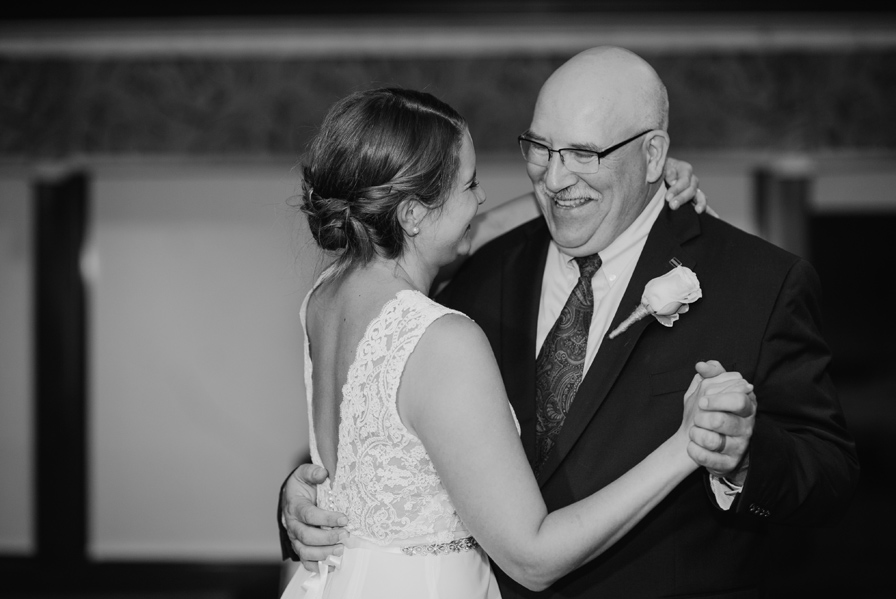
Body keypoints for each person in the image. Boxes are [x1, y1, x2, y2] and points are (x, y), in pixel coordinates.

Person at [283, 46, 860, 597]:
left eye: (584, 153)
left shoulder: (759, 281)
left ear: (653, 154)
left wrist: (743, 453)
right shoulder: (471, 277)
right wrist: (299, 498)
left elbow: (830, 474)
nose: (555, 178)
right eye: (541, 148)